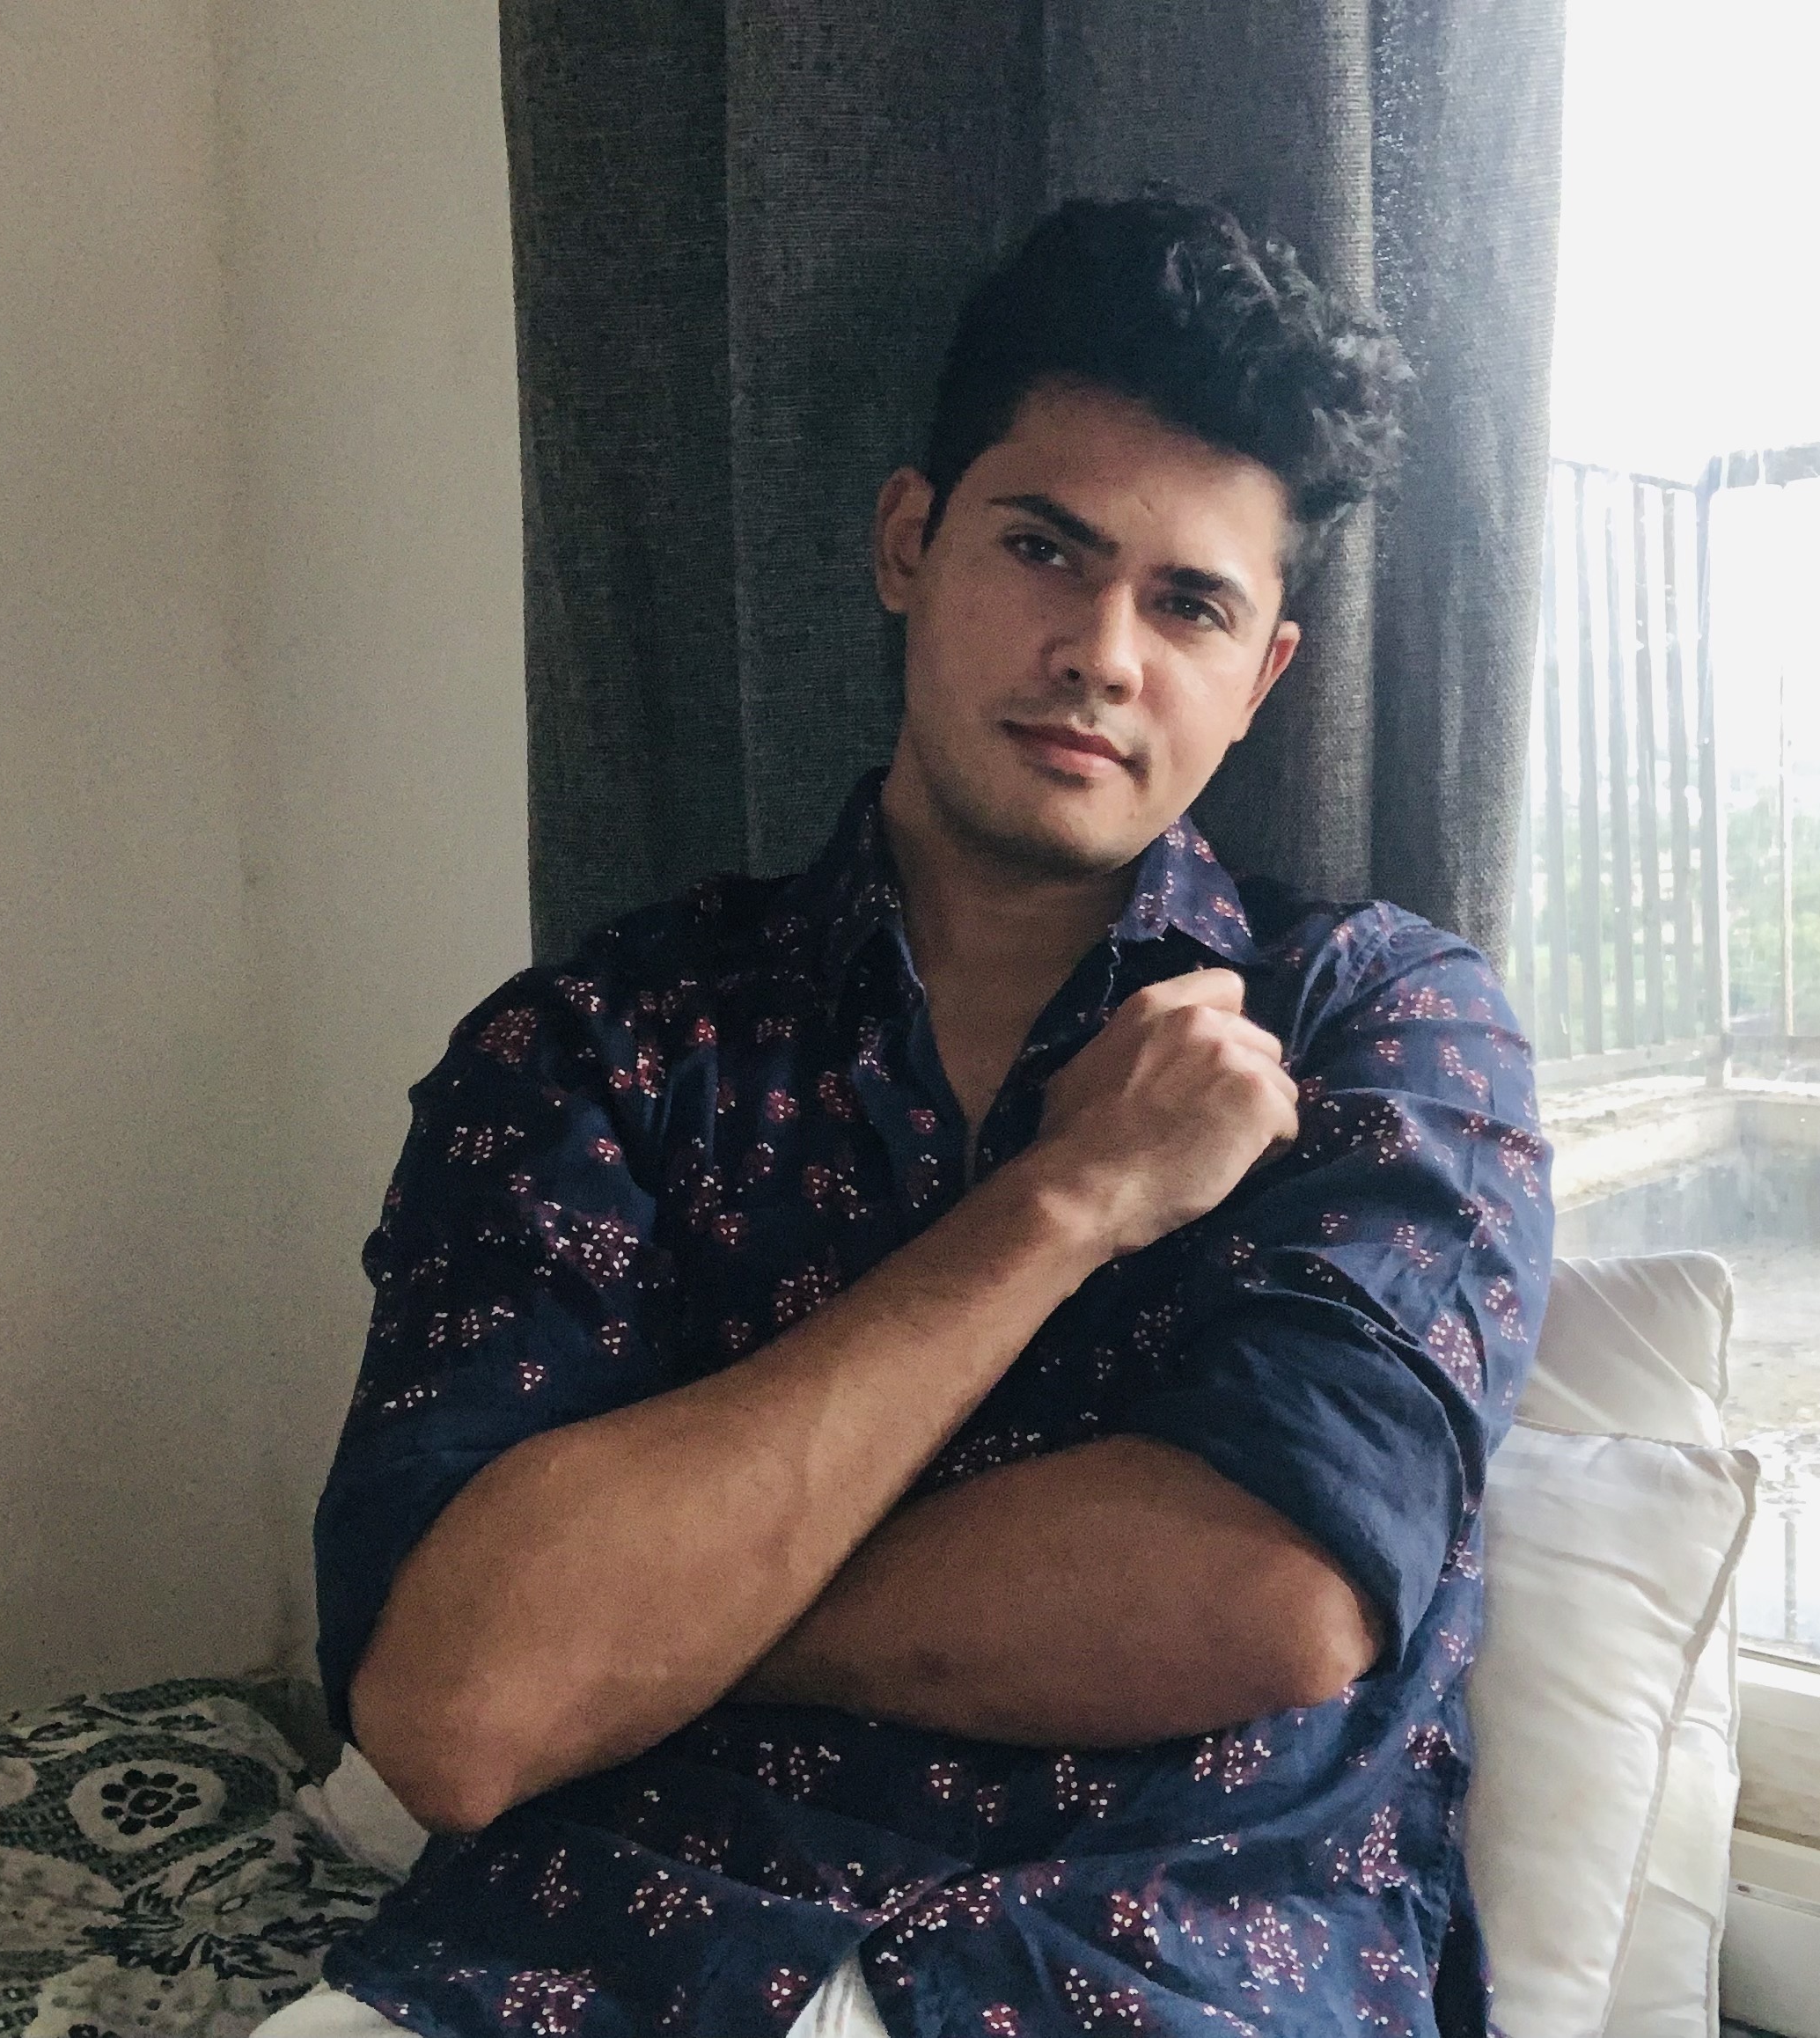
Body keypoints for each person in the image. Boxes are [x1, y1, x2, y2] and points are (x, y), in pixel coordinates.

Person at [293, 192, 1553, 2038]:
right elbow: (453, 1713)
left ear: (1261, 675)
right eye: (1043, 549)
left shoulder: (1380, 1027)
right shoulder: (602, 1048)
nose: (1102, 651)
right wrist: (1067, 1200)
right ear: (908, 542)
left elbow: (1275, 1588)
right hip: (580, 1962)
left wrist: (656, 1625)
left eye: (1189, 603)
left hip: (1160, 1978)